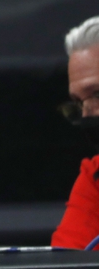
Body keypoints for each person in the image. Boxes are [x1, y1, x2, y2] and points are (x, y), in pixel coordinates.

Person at [52, 16, 99, 248]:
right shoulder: (95, 177)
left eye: (97, 95)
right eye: (79, 103)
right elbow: (68, 258)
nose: (89, 115)